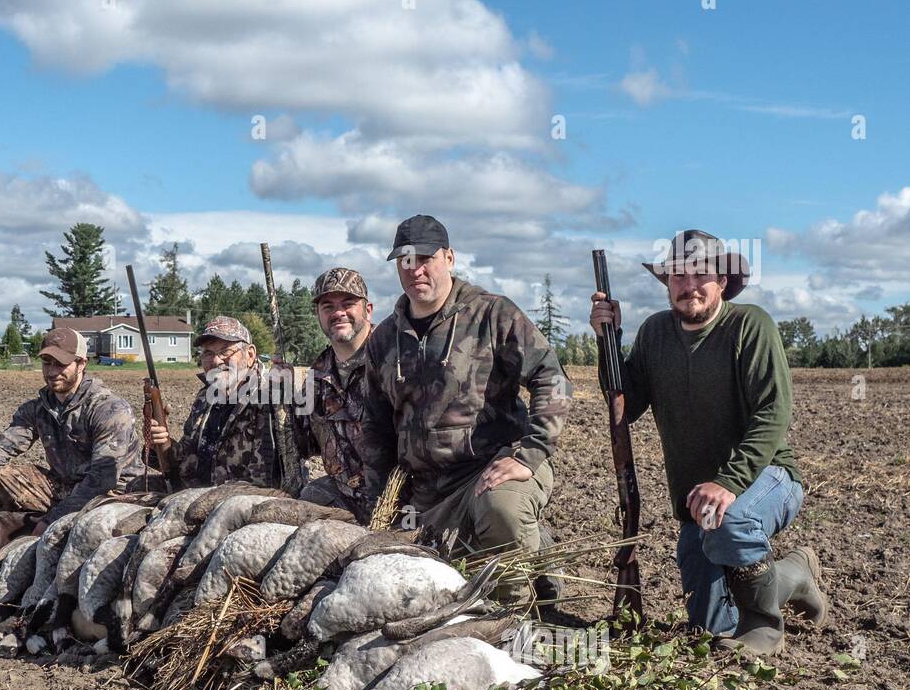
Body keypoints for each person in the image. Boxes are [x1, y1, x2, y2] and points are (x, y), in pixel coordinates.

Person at [589, 229, 828, 656]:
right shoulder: (655, 332)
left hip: (767, 479)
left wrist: (729, 482)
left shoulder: (750, 325)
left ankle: (765, 627)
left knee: (728, 523)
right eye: (678, 276)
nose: (688, 286)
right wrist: (609, 338)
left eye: (701, 274)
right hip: (697, 502)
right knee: (710, 630)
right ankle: (795, 573)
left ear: (721, 281)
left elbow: (772, 414)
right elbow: (626, 402)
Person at [360, 214, 572, 603]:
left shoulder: (492, 314)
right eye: (405, 261)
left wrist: (530, 453)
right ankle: (535, 552)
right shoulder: (384, 339)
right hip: (424, 489)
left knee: (500, 511)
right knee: (416, 576)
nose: (415, 269)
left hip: (489, 470)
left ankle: (516, 618)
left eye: (425, 258)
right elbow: (376, 424)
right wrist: (380, 500)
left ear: (450, 258)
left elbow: (551, 378)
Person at [0, 327, 143, 523]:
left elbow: (102, 480)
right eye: (46, 363)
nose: (52, 372)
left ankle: (46, 529)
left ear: (82, 364)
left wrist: (51, 520)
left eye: (60, 364)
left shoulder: (108, 409)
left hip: (113, 496)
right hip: (66, 488)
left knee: (83, 525)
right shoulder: (38, 408)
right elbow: (1, 447)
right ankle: (15, 537)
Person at [147, 315, 291, 488]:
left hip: (245, 500)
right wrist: (161, 444)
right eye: (208, 353)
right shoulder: (205, 398)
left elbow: (263, 481)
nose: (215, 361)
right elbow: (186, 461)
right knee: (136, 486)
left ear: (250, 355)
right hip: (200, 491)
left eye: (225, 351)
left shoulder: (271, 398)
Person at [294, 267, 375, 522]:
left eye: (348, 303)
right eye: (327, 307)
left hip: (401, 501)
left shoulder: (394, 360)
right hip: (344, 498)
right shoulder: (316, 377)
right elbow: (302, 444)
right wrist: (282, 400)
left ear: (368, 310)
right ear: (318, 315)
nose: (338, 313)